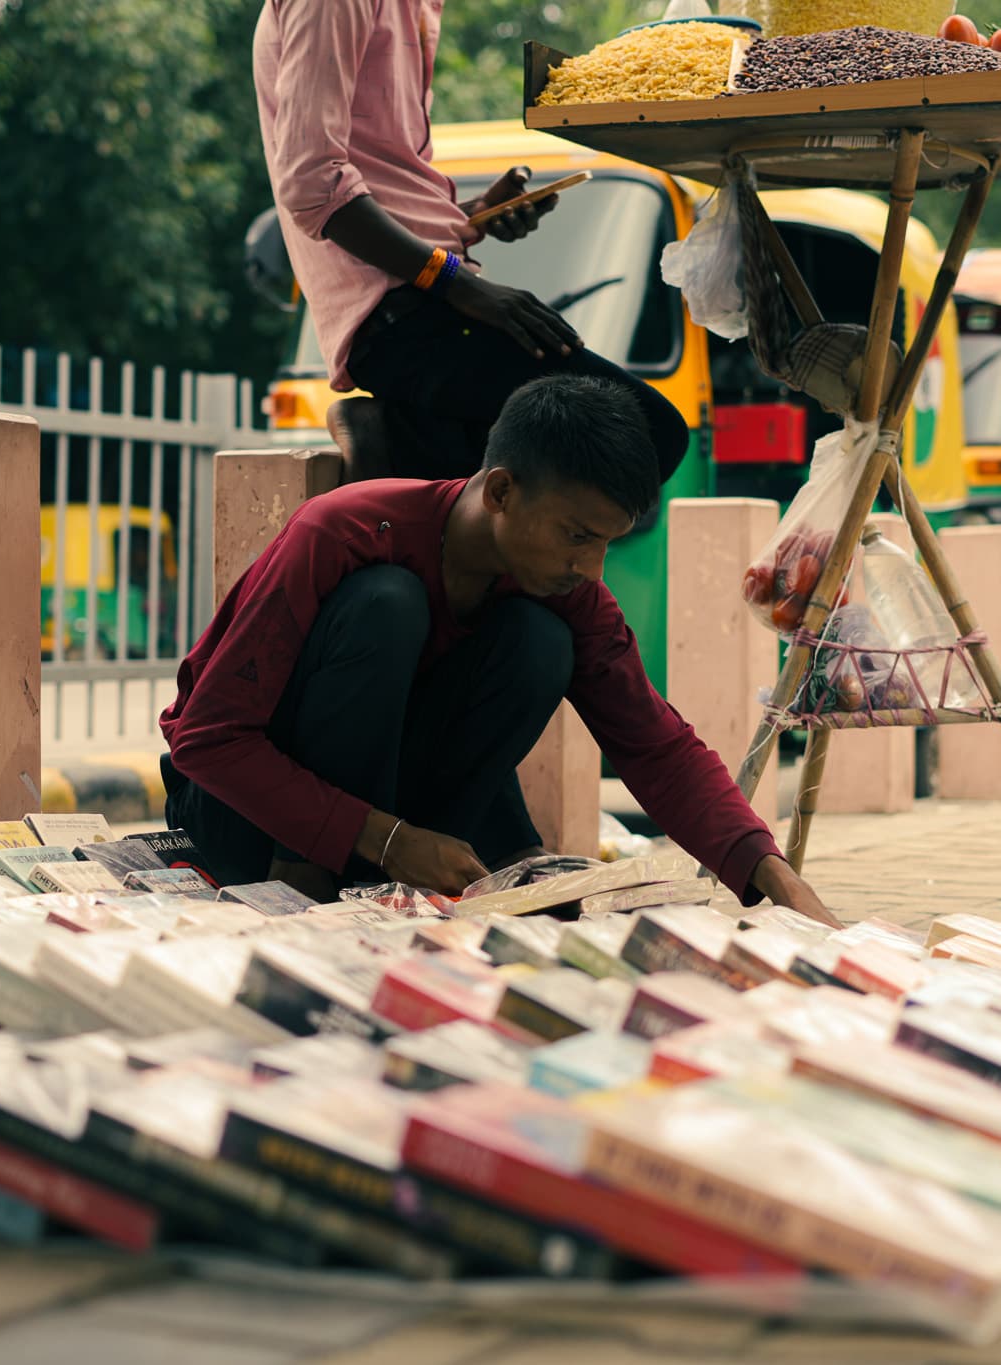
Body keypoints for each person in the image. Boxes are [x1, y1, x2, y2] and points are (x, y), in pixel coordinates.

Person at [160, 373, 835, 924]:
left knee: (539, 639)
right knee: (388, 604)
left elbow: (655, 745)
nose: (592, 568)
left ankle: (385, 886)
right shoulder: (343, 531)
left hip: (393, 839)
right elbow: (209, 742)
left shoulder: (566, 594)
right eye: (577, 536)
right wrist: (388, 839)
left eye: (607, 542)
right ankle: (314, 884)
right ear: (502, 491)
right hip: (243, 817)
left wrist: (779, 882)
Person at [253, 0, 691, 484]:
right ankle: (399, 438)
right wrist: (459, 284)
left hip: (422, 299)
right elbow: (312, 183)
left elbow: (376, 185)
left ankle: (409, 439)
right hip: (401, 314)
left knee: (509, 485)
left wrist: (473, 216)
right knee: (646, 434)